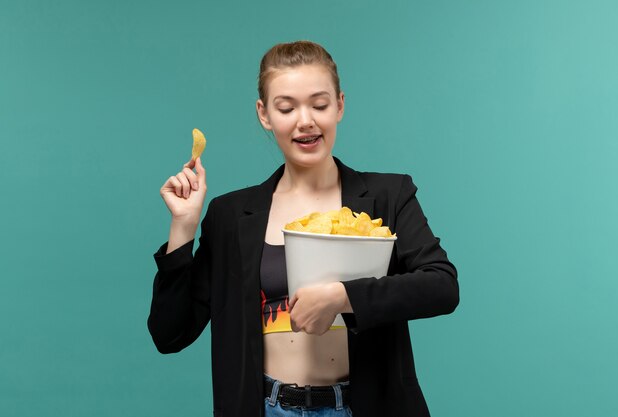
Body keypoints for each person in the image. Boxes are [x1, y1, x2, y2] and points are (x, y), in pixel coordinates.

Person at [148, 40, 459, 417]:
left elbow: (442, 285)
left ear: (340, 105)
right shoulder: (230, 216)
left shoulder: (388, 196)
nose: (305, 120)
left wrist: (342, 297)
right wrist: (183, 227)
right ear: (264, 114)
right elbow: (170, 333)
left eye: (319, 104)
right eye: (286, 107)